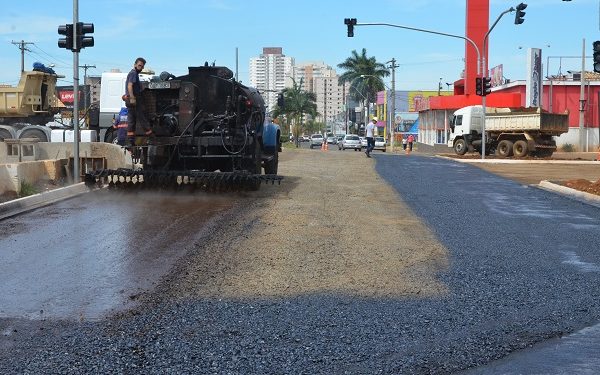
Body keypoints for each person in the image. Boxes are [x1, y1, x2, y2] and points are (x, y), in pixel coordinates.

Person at [124, 57, 153, 145]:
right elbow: (130, 86)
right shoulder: (133, 73)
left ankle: (130, 141)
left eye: (142, 66)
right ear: (135, 65)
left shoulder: (133, 74)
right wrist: (133, 98)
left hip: (130, 100)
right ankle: (151, 136)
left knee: (131, 120)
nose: (141, 67)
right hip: (134, 99)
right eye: (139, 65)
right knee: (142, 117)